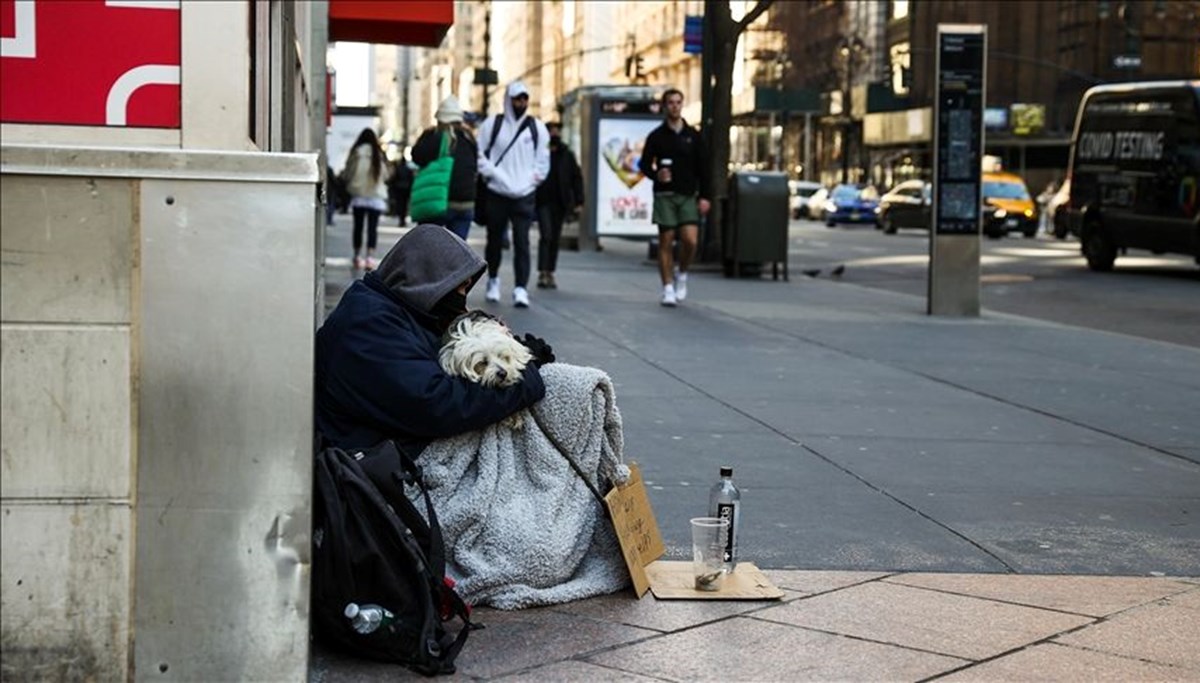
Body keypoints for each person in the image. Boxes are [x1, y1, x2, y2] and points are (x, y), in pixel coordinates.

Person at [314, 224, 548, 454]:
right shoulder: (369, 326)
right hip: (375, 463)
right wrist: (524, 373)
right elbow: (438, 405)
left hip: (394, 444)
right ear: (429, 281)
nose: (462, 298)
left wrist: (514, 349)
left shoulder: (396, 308)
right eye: (459, 288)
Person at [477, 80, 550, 308]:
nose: (521, 103)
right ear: (508, 99)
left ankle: (520, 288)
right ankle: (493, 280)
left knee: (522, 242)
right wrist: (496, 177)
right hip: (497, 193)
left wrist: (529, 183)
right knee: (495, 241)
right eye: (517, 98)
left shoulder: (537, 128)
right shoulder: (492, 125)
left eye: (525, 98)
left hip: (524, 195)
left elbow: (542, 162)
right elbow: (480, 155)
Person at [637, 88, 710, 307]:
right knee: (666, 242)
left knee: (690, 240)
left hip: (688, 195)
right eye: (670, 102)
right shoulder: (657, 136)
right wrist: (656, 174)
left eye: (678, 102)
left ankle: (683, 272)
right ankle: (667, 287)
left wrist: (705, 196)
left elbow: (704, 168)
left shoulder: (693, 136)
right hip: (664, 195)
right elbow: (643, 164)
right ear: (664, 106)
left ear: (682, 104)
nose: (675, 106)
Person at [411, 95, 479, 241]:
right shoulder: (469, 138)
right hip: (466, 204)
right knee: (457, 253)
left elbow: (416, 155)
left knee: (431, 249)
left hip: (439, 203)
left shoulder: (435, 137)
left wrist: (427, 134)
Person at [535, 122, 584, 289]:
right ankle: (542, 272)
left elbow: (576, 177)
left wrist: (579, 200)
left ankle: (550, 272)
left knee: (554, 238)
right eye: (551, 131)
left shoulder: (566, 154)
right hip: (542, 201)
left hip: (560, 202)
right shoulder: (540, 151)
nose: (555, 133)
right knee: (546, 236)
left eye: (557, 130)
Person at [343, 128, 391, 270]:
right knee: (372, 228)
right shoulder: (378, 153)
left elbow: (349, 171)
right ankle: (369, 257)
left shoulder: (357, 152)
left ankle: (357, 256)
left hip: (359, 194)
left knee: (358, 227)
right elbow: (386, 174)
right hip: (375, 196)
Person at [388, 155, 414, 227]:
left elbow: (394, 179)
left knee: (400, 204)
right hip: (406, 189)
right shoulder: (408, 170)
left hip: (399, 189)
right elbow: (411, 180)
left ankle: (401, 219)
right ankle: (403, 219)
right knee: (405, 205)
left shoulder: (398, 169)